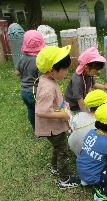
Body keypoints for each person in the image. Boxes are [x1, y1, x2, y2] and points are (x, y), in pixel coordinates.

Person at [35, 45, 80, 189]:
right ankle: (64, 179)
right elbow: (41, 111)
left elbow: (52, 102)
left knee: (57, 147)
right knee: (62, 151)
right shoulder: (47, 88)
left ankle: (54, 167)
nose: (67, 72)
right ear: (51, 70)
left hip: (54, 127)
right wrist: (63, 115)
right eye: (65, 69)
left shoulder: (47, 79)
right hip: (53, 128)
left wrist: (62, 104)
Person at [64, 47, 107, 112]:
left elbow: (93, 84)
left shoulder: (89, 74)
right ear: (86, 68)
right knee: (89, 114)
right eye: (96, 70)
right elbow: (79, 99)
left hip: (82, 100)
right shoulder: (77, 80)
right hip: (73, 105)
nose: (97, 72)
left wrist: (104, 86)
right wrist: (85, 113)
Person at [14, 30, 45, 130]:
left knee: (31, 110)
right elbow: (42, 79)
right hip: (34, 92)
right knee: (40, 111)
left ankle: (35, 128)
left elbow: (17, 72)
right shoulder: (38, 61)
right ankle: (42, 129)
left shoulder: (22, 59)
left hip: (24, 91)